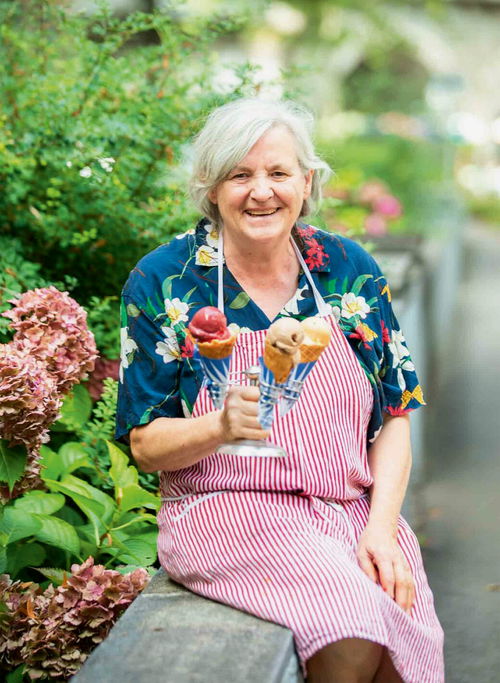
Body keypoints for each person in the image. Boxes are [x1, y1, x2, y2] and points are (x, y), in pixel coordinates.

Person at [116, 98, 444, 682]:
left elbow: (396, 414)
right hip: (228, 512)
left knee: (405, 632)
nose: (261, 191)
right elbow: (145, 444)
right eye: (239, 175)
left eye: (278, 172)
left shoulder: (346, 267)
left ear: (306, 181)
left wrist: (382, 527)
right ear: (209, 187)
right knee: (352, 622)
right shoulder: (165, 279)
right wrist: (219, 425)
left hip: (350, 512)